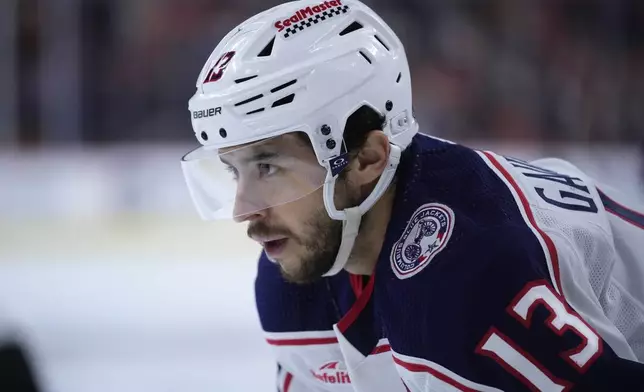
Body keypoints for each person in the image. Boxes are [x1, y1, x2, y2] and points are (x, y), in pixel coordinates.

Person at [181, 1, 644, 390]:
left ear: (367, 159)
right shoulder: (298, 282)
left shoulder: (469, 278)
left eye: (268, 166)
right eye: (232, 170)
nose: (244, 210)